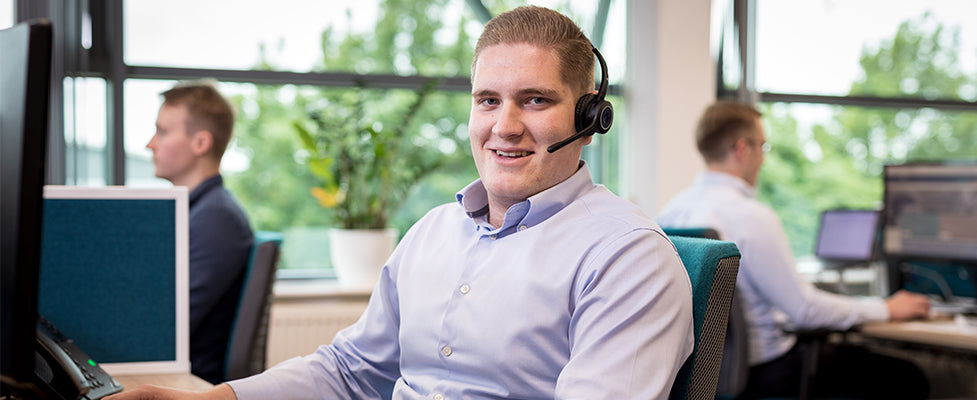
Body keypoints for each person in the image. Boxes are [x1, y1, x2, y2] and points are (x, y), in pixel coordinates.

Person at [108, 6, 694, 400]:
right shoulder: (435, 232)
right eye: (487, 100)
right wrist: (216, 399)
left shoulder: (628, 258)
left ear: (590, 120)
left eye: (536, 100)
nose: (505, 126)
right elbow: (350, 370)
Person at [656, 100, 931, 399]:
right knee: (909, 377)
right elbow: (805, 310)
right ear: (742, 149)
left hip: (704, 377)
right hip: (770, 372)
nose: (763, 158)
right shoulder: (751, 216)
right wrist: (886, 309)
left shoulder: (669, 213)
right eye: (762, 146)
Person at [147, 81, 255, 384]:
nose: (150, 144)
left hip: (190, 383)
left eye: (163, 132)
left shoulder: (216, 219)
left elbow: (168, 326)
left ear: (200, 143)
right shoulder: (195, 211)